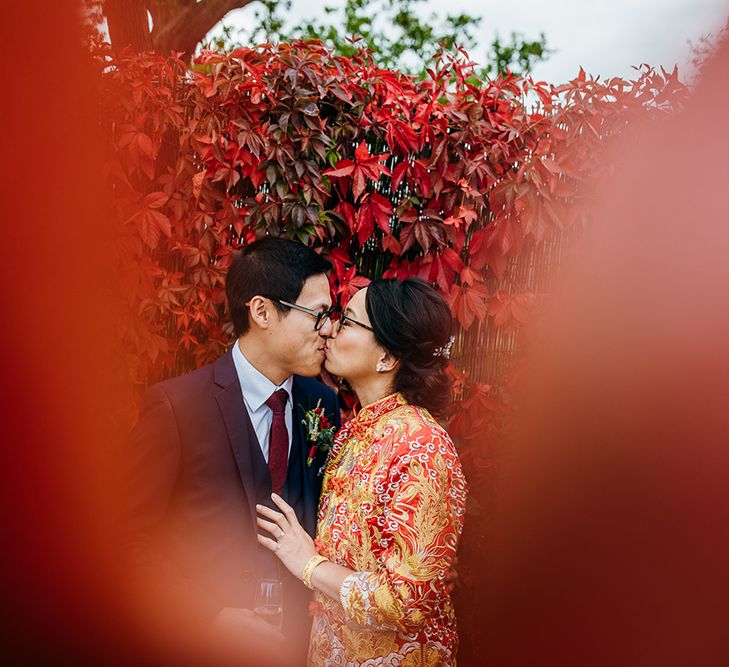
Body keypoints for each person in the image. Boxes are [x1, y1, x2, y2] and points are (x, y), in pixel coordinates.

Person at [124, 237, 341, 663]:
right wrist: (209, 616)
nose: (328, 328)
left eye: (330, 316)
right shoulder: (175, 408)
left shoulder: (324, 404)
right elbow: (127, 542)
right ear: (262, 312)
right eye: (317, 314)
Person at [257, 277, 468, 666]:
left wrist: (309, 563)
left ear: (387, 357)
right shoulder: (354, 430)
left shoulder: (422, 446)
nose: (330, 329)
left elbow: (405, 603)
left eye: (348, 321)